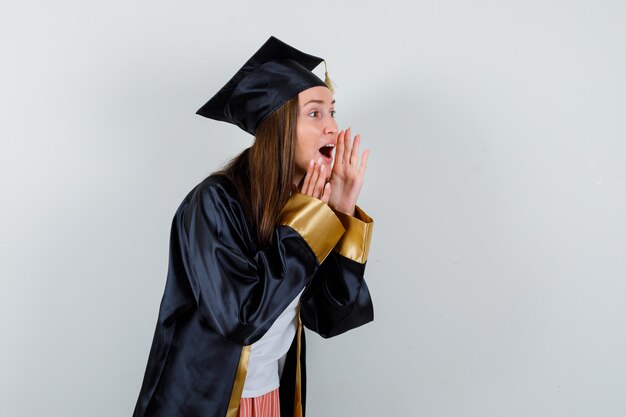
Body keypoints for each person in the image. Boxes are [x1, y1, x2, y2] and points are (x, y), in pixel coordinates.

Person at [132, 36, 374, 417]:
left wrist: (340, 214)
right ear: (277, 127)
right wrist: (305, 231)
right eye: (315, 113)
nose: (332, 127)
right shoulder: (213, 203)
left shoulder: (309, 210)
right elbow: (240, 318)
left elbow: (331, 317)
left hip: (271, 398)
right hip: (204, 404)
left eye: (332, 111)